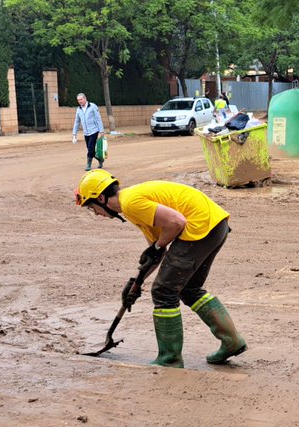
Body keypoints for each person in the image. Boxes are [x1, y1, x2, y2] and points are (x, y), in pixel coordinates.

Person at [74, 169, 246, 368]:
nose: (95, 213)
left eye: (92, 207)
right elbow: (157, 251)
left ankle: (170, 359)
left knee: (163, 291)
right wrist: (136, 283)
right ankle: (231, 341)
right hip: (215, 226)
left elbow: (176, 223)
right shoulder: (132, 205)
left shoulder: (131, 203)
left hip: (199, 227)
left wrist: (155, 248)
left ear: (101, 198)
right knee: (189, 289)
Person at [71, 93, 105, 172]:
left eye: (81, 99)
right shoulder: (78, 109)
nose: (80, 101)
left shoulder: (93, 106)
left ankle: (88, 165)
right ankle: (100, 159)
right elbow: (77, 122)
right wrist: (74, 134)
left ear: (85, 99)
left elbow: (98, 119)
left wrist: (101, 131)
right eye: (78, 100)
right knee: (91, 150)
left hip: (94, 131)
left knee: (90, 148)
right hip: (86, 132)